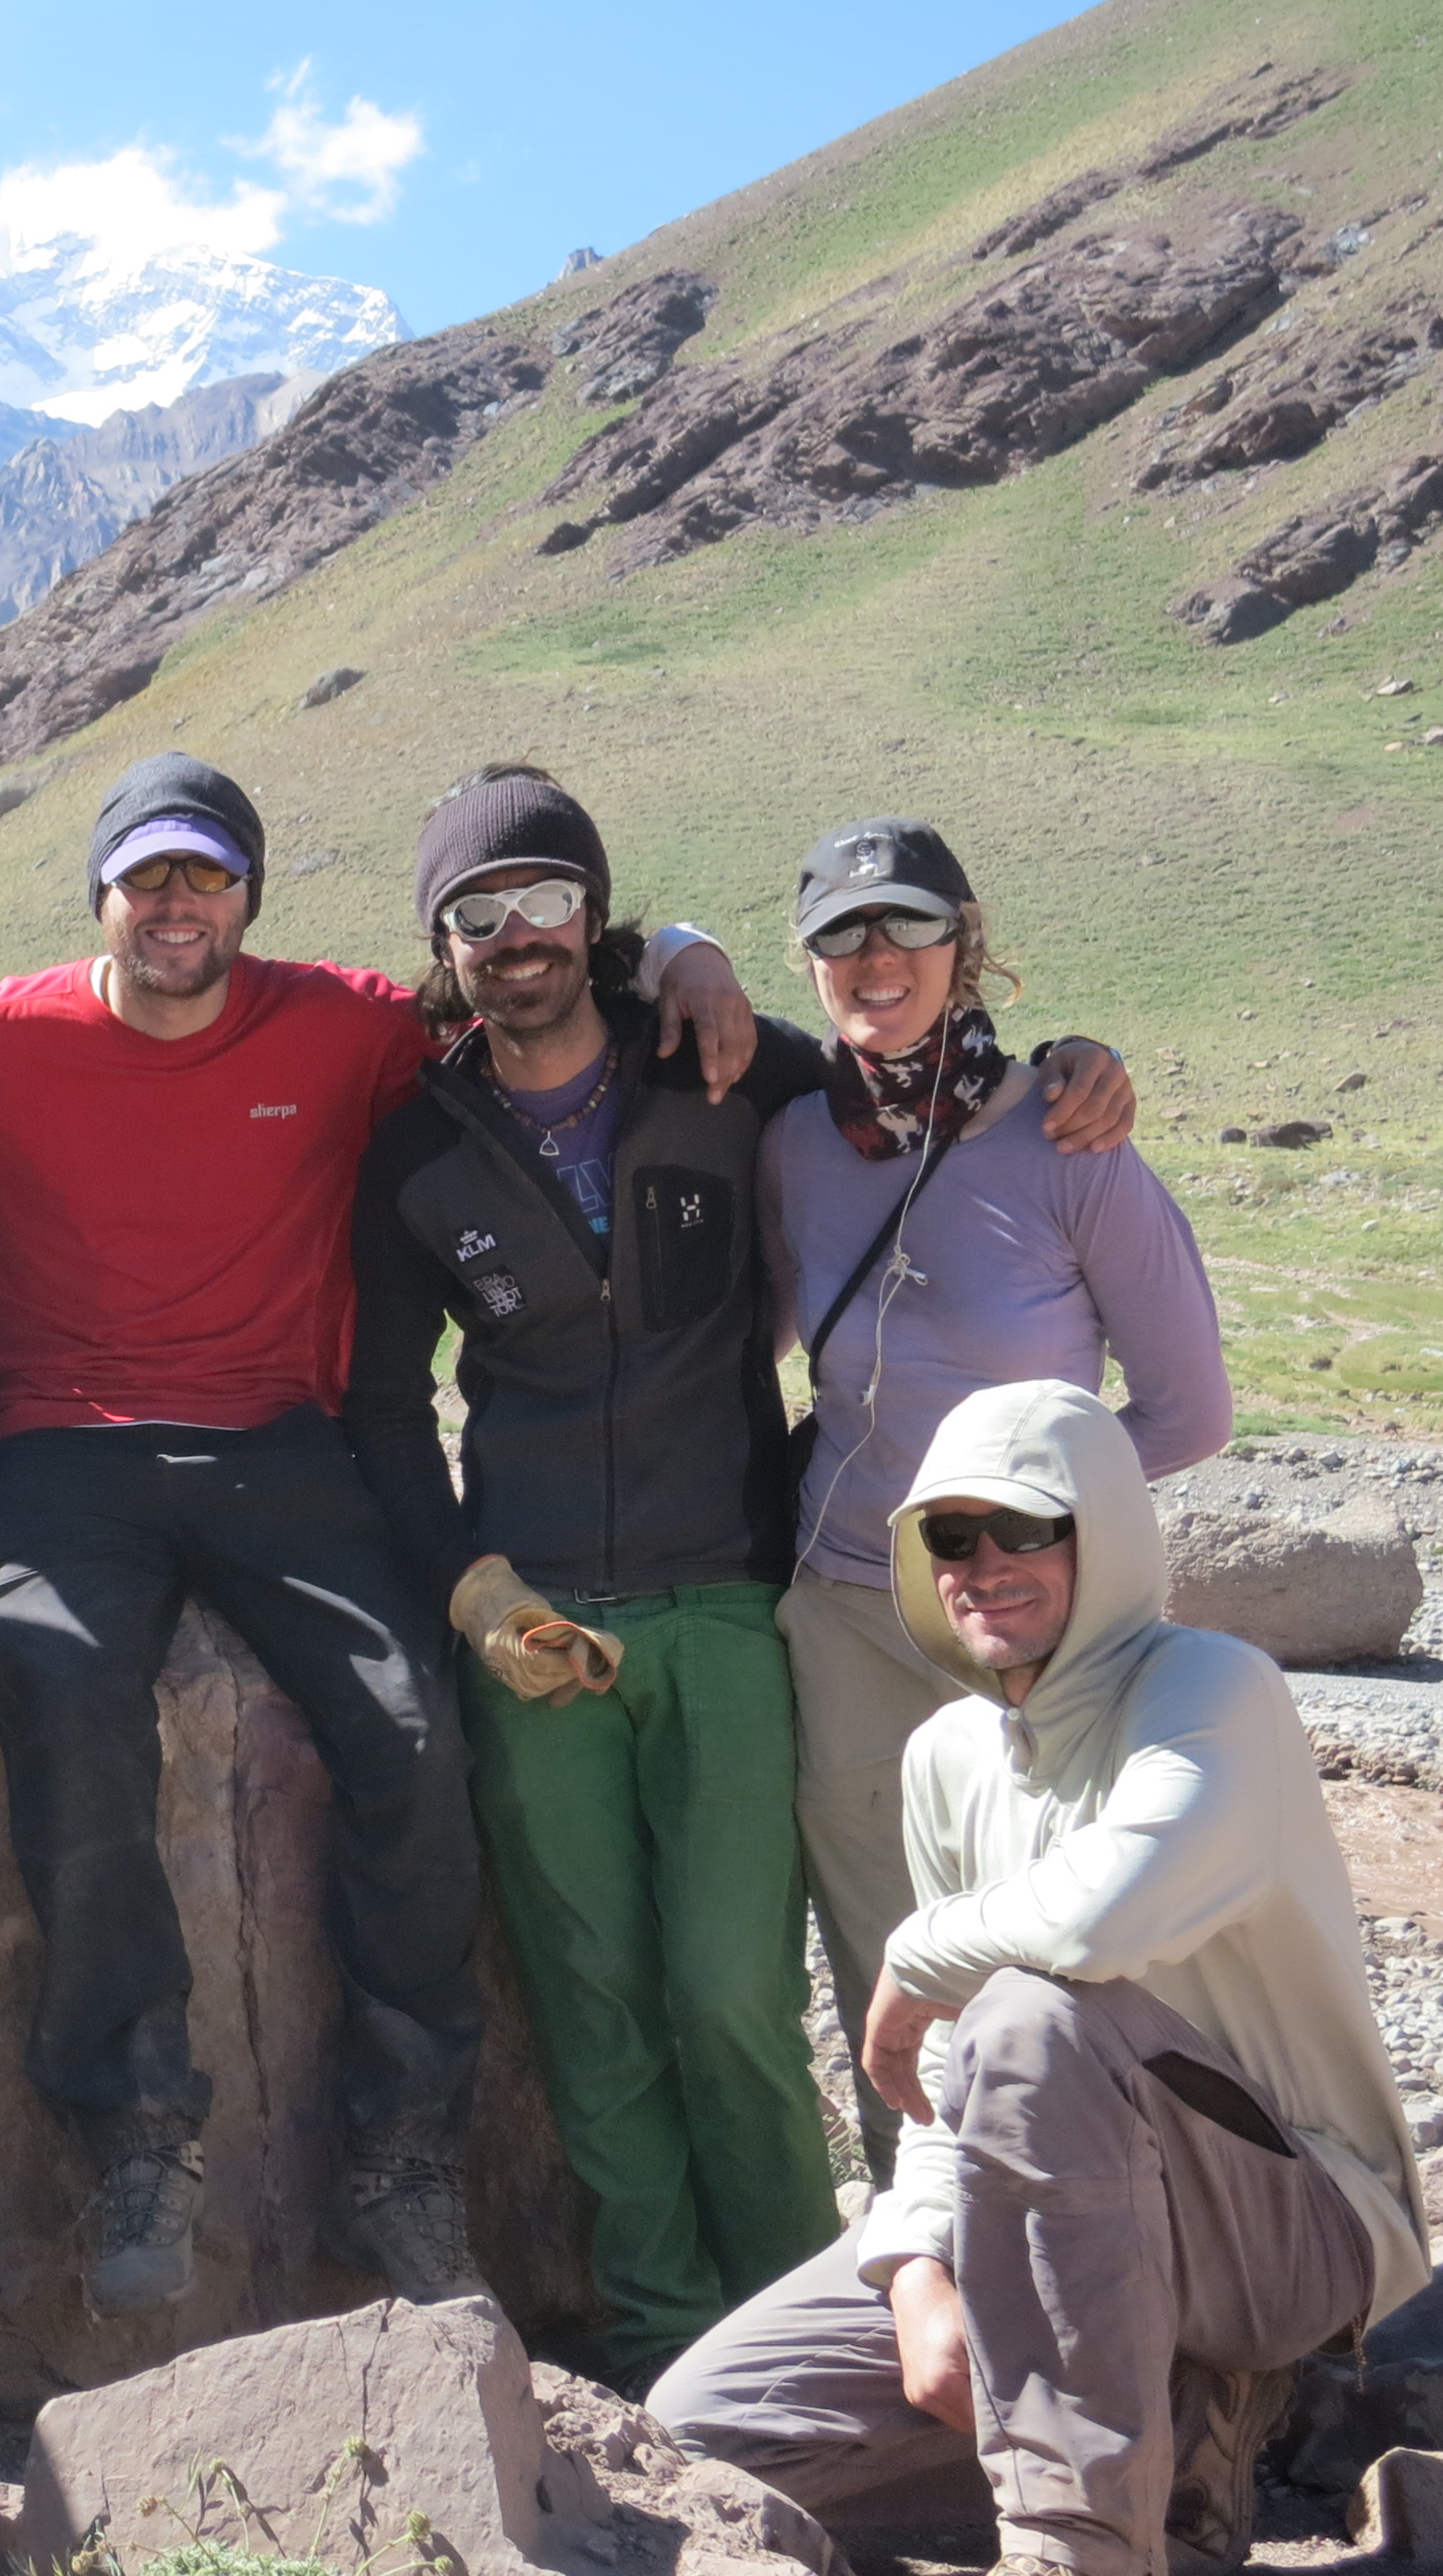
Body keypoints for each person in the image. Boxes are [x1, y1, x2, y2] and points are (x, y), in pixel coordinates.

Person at [0, 752, 764, 2318]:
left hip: (283, 1445)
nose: (177, 903)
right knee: (60, 1693)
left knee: (410, 1727)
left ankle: (405, 2149)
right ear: (99, 896)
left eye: (206, 874)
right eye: (146, 875)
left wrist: (690, 947)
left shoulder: (347, 1027)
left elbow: (522, 991)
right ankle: (136, 2133)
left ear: (248, 894)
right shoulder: (3, 1035)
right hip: (60, 1447)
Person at [348, 767, 1138, 2391]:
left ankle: (803, 2331)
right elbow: (376, 1403)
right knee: (593, 2008)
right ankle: (660, 2340)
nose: (516, 935)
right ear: (444, 943)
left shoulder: (722, 1069)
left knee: (729, 1997)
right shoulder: (414, 1147)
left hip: (725, 1601)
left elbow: (916, 1065)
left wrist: (1073, 1063)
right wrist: (471, 1587)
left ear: (594, 914)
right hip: (534, 1623)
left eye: (547, 899)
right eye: (478, 913)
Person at [650, 1382, 1425, 2576]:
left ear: (1103, 1536)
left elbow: (1104, 1917)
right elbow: (942, 2083)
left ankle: (1088, 2571)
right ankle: (1164, 2457)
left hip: (1293, 2225)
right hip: (1051, 2204)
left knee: (1031, 2009)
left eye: (1025, 1529)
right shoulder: (949, 1755)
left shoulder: (1211, 1691)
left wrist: (915, 1955)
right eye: (951, 1537)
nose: (984, 1565)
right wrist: (915, 2272)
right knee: (705, 2437)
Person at [760, 816, 1229, 2176]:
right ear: (809, 963)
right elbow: (773, 1343)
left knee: (1055, 1950)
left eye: (907, 923)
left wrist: (1026, 1521)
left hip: (1031, 1625)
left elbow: (1191, 1412)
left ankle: (1089, 2220)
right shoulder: (793, 1143)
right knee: (884, 1962)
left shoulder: (1072, 1139)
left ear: (965, 944)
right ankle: (921, 2227)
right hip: (847, 1612)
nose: (876, 956)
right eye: (842, 933)